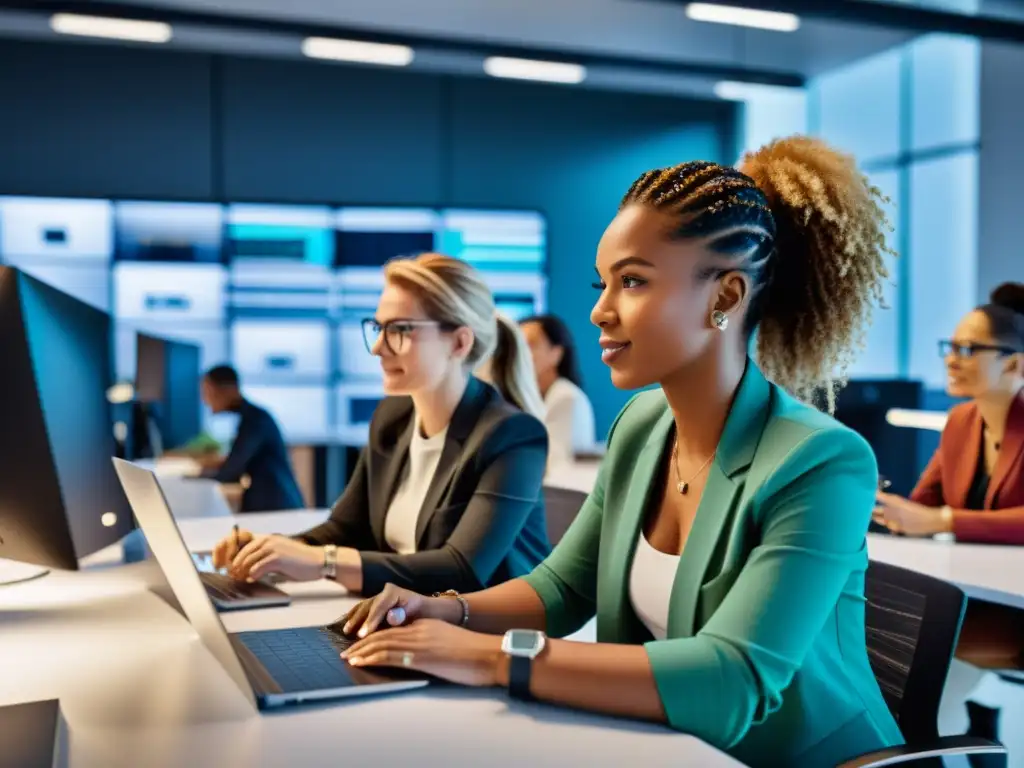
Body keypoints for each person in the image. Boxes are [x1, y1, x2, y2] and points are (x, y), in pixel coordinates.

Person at [338, 137, 903, 767]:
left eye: (632, 281)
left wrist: (493, 659)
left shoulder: (821, 462)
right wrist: (449, 612)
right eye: (603, 283)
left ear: (725, 297)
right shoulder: (642, 425)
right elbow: (562, 588)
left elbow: (733, 678)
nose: (600, 311)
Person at [212, 254, 551, 597]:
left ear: (459, 343)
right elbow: (347, 528)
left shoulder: (512, 436)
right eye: (378, 328)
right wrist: (271, 552)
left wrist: (322, 561)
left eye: (400, 330)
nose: (377, 348)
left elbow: (461, 570)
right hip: (407, 616)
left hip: (489, 636)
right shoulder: (393, 417)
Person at [875, 283, 1024, 544]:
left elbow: (931, 517)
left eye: (967, 350)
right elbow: (921, 506)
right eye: (950, 347)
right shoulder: (961, 421)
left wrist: (945, 520)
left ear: (1013, 363)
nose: (950, 361)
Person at [198, 365, 304, 513]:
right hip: (269, 502)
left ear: (229, 389)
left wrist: (190, 481)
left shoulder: (255, 421)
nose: (205, 400)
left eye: (208, 391)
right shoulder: (252, 417)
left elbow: (231, 471)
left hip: (276, 506)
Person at [520, 314, 597, 469]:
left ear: (556, 353)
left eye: (530, 345)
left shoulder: (566, 397)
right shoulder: (534, 398)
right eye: (519, 345)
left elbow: (555, 463)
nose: (521, 354)